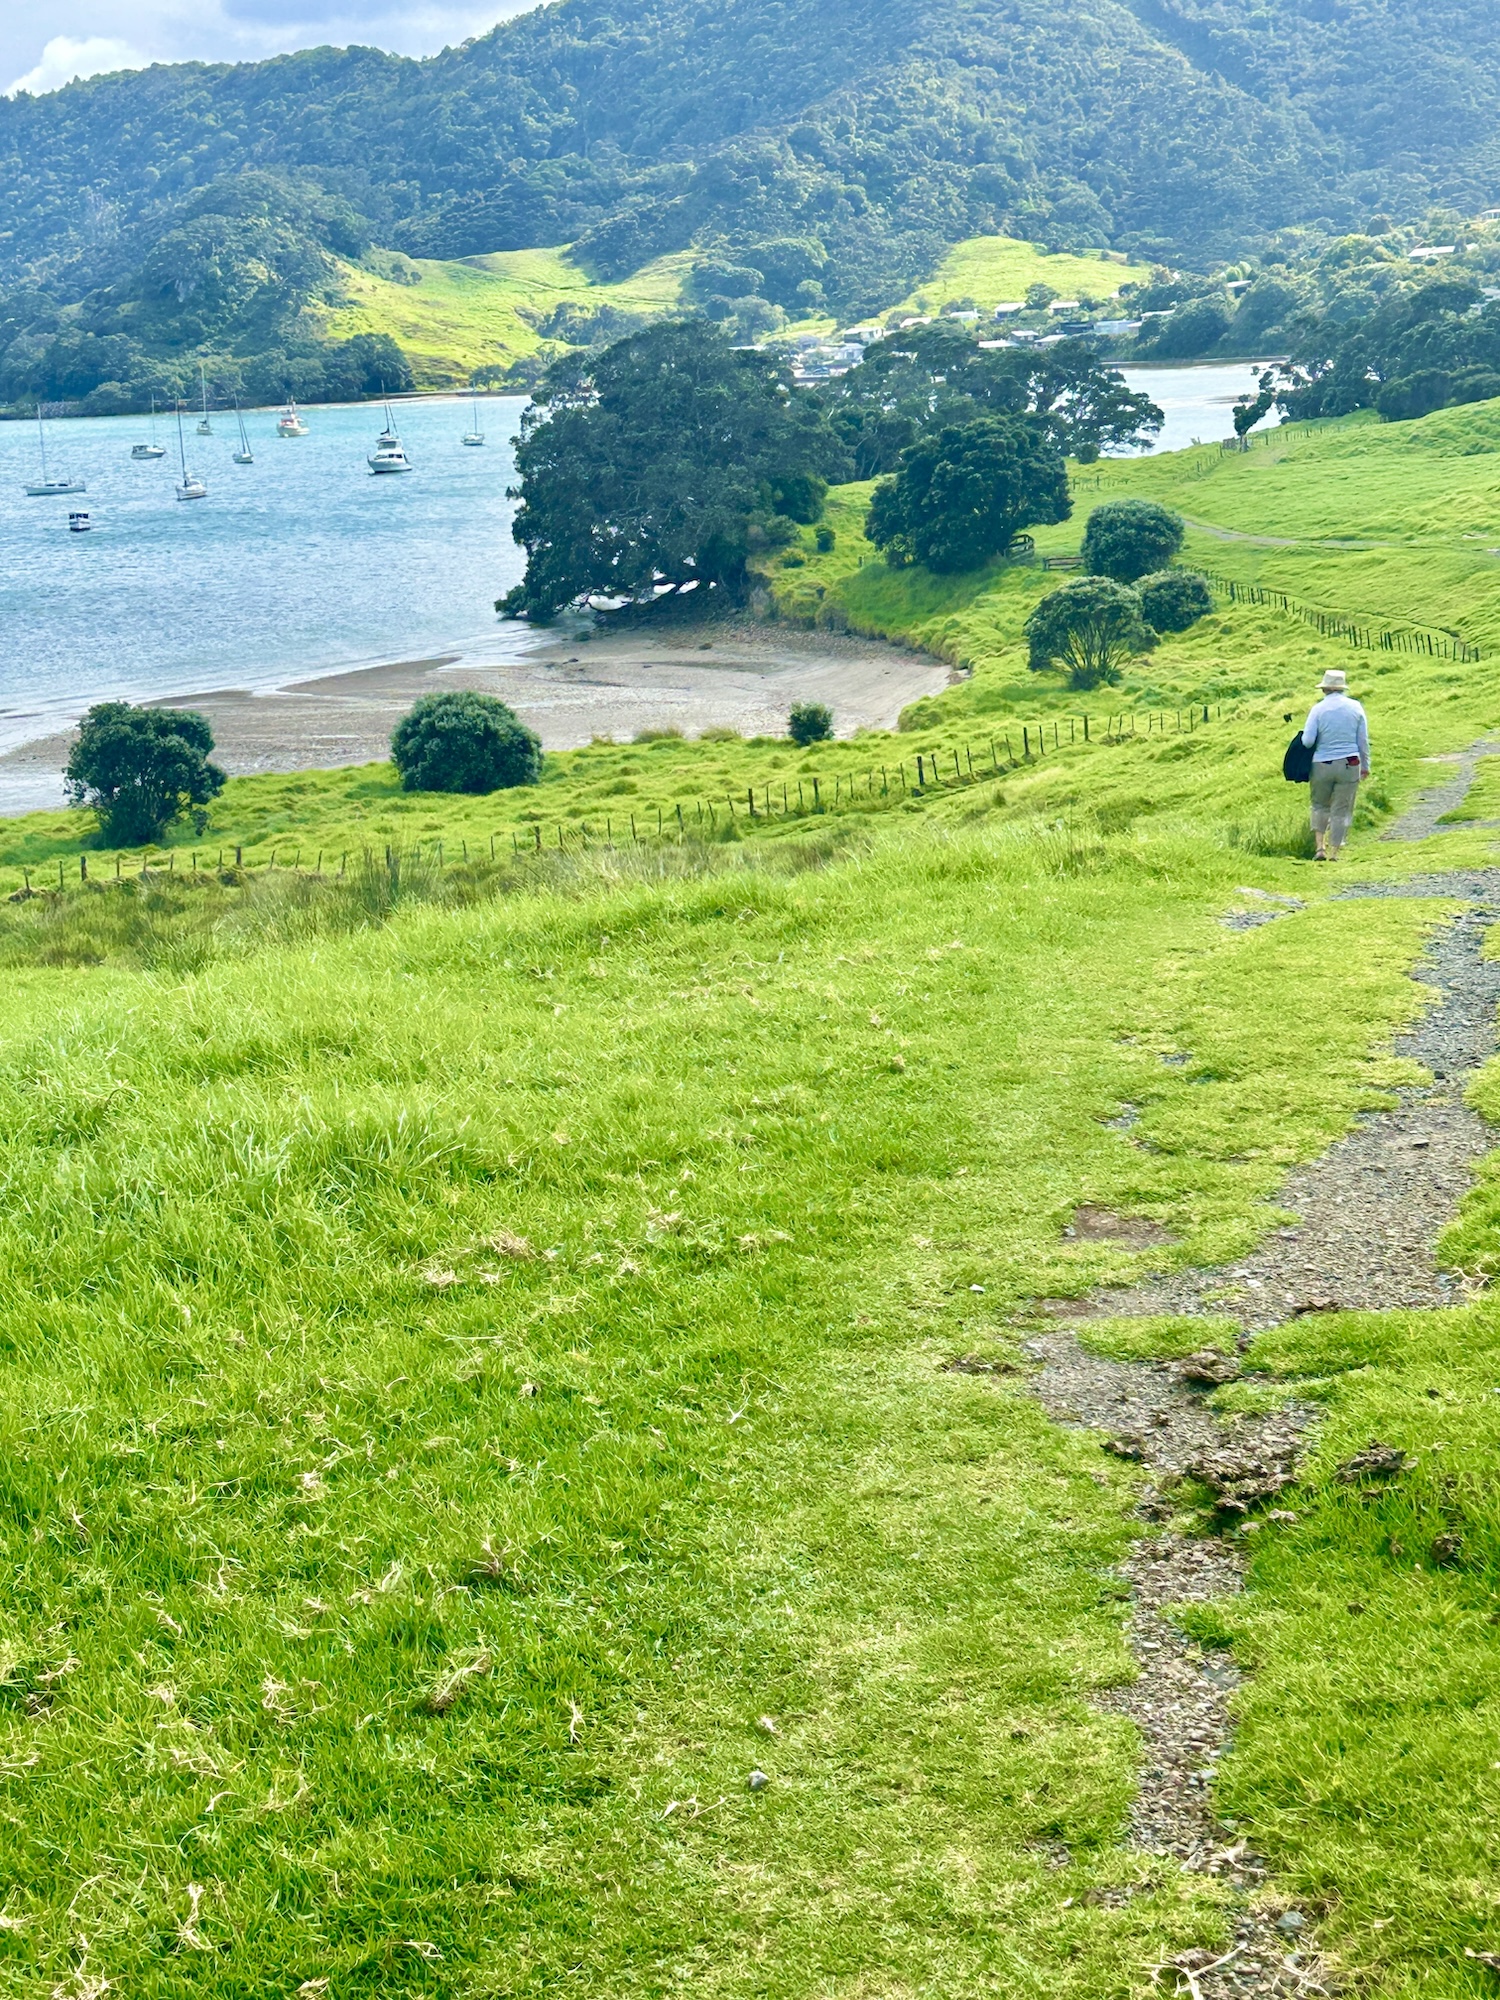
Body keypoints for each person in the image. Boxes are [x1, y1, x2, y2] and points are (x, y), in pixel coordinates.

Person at [1301, 668, 1369, 861]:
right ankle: (1334, 852)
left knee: (1319, 805)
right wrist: (1365, 766)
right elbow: (1362, 741)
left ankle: (1320, 848)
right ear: (1342, 688)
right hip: (1350, 763)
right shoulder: (1355, 707)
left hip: (1322, 763)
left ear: (1324, 689)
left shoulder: (1318, 709)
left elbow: (1307, 741)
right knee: (1342, 809)